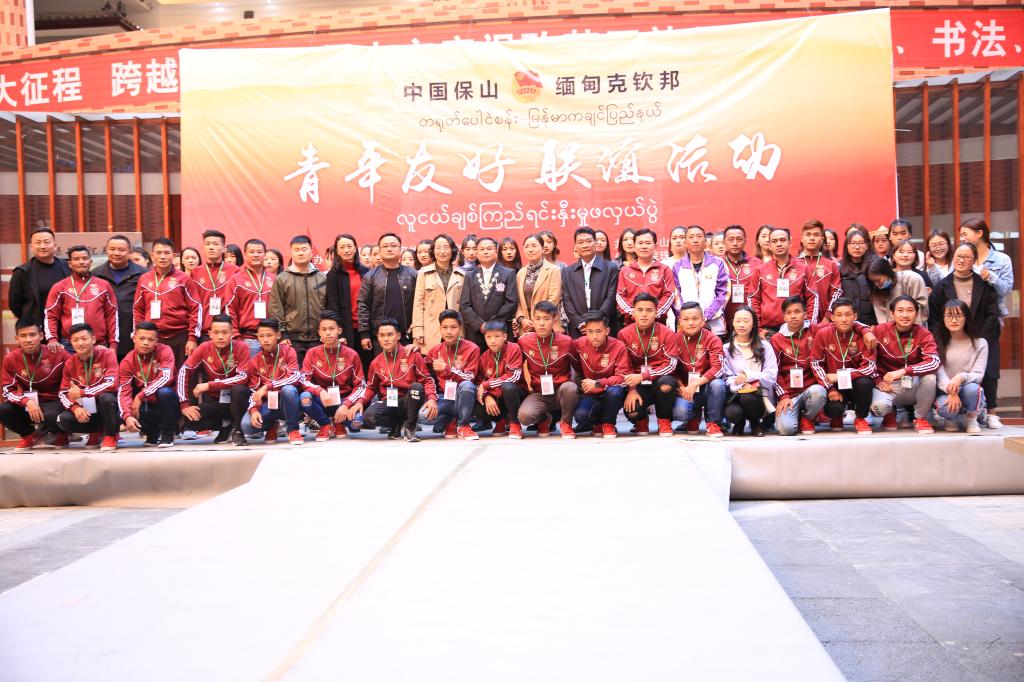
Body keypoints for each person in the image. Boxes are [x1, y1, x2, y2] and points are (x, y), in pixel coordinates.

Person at [928, 241, 1001, 428]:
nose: (962, 260)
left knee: (986, 373)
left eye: (967, 257)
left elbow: (992, 314)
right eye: (959, 256)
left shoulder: (984, 285)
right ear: (953, 258)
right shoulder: (942, 286)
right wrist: (942, 337)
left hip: (979, 338)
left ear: (974, 260)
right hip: (949, 338)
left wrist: (978, 338)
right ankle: (958, 415)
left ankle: (988, 411)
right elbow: (934, 318)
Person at [357, 317, 438, 442]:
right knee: (369, 416)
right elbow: (371, 387)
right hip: (390, 402)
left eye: (390, 334)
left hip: (409, 402)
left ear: (398, 335)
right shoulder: (375, 362)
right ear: (378, 337)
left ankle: (410, 427)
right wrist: (360, 401)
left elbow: (427, 380)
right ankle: (396, 425)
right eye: (382, 335)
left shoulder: (412, 354)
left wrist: (432, 398)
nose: (386, 339)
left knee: (416, 387)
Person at [177, 314, 252, 446]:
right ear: (210, 334)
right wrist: (184, 405)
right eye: (216, 332)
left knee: (239, 390)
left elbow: (243, 377)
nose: (220, 336)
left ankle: (237, 430)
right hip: (218, 403)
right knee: (191, 419)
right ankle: (225, 425)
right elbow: (184, 371)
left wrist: (209, 385)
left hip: (240, 402)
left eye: (225, 332)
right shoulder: (204, 348)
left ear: (232, 333)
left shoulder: (241, 347)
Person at [869, 295, 939, 434]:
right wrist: (877, 381)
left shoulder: (924, 334)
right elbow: (867, 360)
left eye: (910, 310)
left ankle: (920, 418)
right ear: (892, 313)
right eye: (900, 310)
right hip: (887, 386)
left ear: (916, 313)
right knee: (879, 408)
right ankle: (890, 414)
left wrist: (905, 371)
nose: (905, 315)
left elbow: (934, 362)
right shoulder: (879, 331)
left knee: (930, 378)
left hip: (912, 383)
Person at [0, 319, 69, 452]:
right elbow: (7, 390)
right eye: (23, 336)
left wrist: (98, 350)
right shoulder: (10, 358)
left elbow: (75, 370)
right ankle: (28, 436)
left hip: (54, 401)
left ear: (41, 336)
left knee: (51, 415)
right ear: (17, 338)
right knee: (4, 410)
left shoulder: (57, 353)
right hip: (28, 403)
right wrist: (26, 401)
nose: (28, 340)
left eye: (32, 335)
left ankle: (61, 434)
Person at [810, 298, 876, 435]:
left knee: (865, 383)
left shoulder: (865, 336)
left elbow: (870, 367)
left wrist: (841, 376)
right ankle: (836, 417)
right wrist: (830, 389)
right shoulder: (823, 334)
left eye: (848, 314)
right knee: (833, 409)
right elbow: (816, 364)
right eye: (839, 315)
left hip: (856, 383)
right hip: (835, 385)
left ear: (855, 316)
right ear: (832, 317)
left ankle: (861, 418)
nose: (844, 319)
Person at [133, 237, 202, 369]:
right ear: (152, 255)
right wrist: (138, 335)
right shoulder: (144, 279)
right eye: (158, 253)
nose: (163, 257)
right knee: (155, 375)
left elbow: (195, 308)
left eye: (167, 253)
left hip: (180, 336)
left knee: (183, 375)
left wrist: (192, 338)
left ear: (174, 255)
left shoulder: (184, 279)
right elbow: (138, 309)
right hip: (153, 337)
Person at [299, 311, 367, 442]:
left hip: (343, 399)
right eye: (324, 329)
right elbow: (303, 380)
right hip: (323, 400)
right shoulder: (312, 353)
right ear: (319, 332)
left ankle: (339, 423)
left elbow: (360, 385)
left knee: (357, 422)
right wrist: (320, 391)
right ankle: (326, 424)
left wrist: (346, 404)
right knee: (305, 398)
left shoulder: (352, 354)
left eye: (332, 328)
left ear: (339, 330)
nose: (328, 333)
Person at [618, 293, 678, 436]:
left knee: (667, 383)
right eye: (640, 310)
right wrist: (631, 389)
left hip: (658, 380)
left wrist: (644, 375)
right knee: (632, 411)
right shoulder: (623, 334)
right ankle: (641, 420)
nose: (644, 314)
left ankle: (664, 419)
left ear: (656, 312)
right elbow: (624, 366)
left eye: (649, 310)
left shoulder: (667, 333)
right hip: (637, 383)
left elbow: (671, 364)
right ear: (633, 312)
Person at [516, 301, 579, 438]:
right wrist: (524, 390)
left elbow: (578, 367)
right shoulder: (524, 342)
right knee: (524, 417)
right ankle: (544, 419)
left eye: (546, 319)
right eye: (538, 319)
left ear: (554, 319)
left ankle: (566, 423)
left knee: (570, 388)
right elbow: (517, 367)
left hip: (561, 392)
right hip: (539, 393)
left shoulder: (566, 341)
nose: (542, 323)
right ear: (532, 319)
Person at [44, 245, 119, 355]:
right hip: (70, 345)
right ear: (69, 264)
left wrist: (113, 344)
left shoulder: (104, 285)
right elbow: (50, 315)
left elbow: (112, 315)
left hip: (99, 344)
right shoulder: (60, 287)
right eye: (76, 259)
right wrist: (52, 339)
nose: (81, 262)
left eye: (85, 258)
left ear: (90, 262)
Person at [56, 323, 120, 452]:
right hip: (86, 408)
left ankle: (111, 435)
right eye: (75, 340)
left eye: (84, 339)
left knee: (107, 398)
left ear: (93, 339)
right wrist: (75, 408)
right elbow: (63, 393)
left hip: (105, 406)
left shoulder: (107, 354)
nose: (80, 343)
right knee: (63, 419)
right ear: (71, 342)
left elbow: (111, 383)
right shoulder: (70, 362)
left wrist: (83, 392)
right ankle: (95, 432)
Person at [769, 296, 827, 436]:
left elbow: (841, 323)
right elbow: (775, 372)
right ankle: (797, 416)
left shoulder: (815, 330)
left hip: (810, 390)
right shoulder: (776, 339)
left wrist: (865, 331)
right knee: (786, 430)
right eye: (788, 313)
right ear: (784, 317)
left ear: (805, 314)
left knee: (819, 392)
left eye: (797, 311)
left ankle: (807, 418)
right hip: (790, 395)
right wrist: (783, 396)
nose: (793, 316)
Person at [241, 318, 304, 446]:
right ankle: (272, 426)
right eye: (261, 336)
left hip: (285, 402)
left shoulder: (288, 351)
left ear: (278, 335)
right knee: (246, 426)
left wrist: (267, 387)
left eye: (269, 335)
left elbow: (295, 377)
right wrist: (254, 409)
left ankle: (292, 429)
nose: (265, 340)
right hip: (267, 404)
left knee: (289, 390)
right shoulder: (255, 361)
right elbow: (254, 390)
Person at [118, 321, 178, 447]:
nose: (146, 343)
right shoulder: (127, 361)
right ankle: (152, 434)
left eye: (150, 339)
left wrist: (141, 395)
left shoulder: (165, 350)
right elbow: (123, 391)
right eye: (142, 338)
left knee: (165, 393)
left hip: (167, 403)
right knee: (121, 406)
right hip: (146, 404)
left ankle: (168, 434)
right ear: (134, 338)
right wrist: (127, 416)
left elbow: (166, 378)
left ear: (156, 341)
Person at [269, 235, 326, 366]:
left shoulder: (322, 278)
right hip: (292, 339)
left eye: (304, 249)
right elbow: (275, 308)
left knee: (319, 375)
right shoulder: (282, 278)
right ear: (291, 252)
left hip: (320, 338)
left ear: (311, 252)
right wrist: (282, 335)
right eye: (296, 250)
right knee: (294, 375)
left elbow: (328, 307)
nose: (300, 253)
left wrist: (326, 331)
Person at [671, 302, 726, 438]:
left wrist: (695, 384)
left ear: (703, 320)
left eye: (695, 319)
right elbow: (671, 369)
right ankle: (693, 418)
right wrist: (681, 386)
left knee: (718, 385)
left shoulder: (713, 339)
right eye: (686, 319)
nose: (691, 323)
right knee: (680, 413)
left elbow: (718, 368)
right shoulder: (674, 339)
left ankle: (713, 423)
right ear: (680, 321)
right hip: (685, 389)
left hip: (706, 387)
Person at [721, 307, 778, 436]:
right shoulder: (725, 349)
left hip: (759, 396)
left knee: (748, 397)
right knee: (733, 413)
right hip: (735, 394)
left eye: (746, 321)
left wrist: (748, 376)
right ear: (733, 323)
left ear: (753, 324)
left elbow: (771, 375)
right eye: (738, 321)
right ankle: (739, 423)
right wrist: (741, 385)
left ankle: (755, 424)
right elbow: (725, 377)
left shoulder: (765, 346)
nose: (741, 324)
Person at [933, 299, 988, 434]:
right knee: (945, 408)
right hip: (946, 391)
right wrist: (952, 391)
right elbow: (939, 374)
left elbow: (978, 375)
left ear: (966, 317)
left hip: (968, 388)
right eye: (949, 316)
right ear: (943, 319)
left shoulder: (980, 343)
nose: (953, 320)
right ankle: (955, 418)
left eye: (958, 315)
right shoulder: (936, 343)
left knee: (973, 390)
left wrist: (961, 377)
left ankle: (972, 417)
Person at [358, 232, 418, 355]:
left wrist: (418, 332)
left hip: (408, 335)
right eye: (385, 246)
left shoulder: (413, 274)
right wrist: (364, 333)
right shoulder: (370, 276)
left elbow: (421, 305)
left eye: (393, 245)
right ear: (379, 251)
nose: (389, 249)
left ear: (400, 249)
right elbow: (363, 304)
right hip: (381, 337)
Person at [572, 312, 630, 438]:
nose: (594, 336)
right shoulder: (579, 344)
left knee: (614, 392)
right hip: (591, 393)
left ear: (607, 331)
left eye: (599, 331)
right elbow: (574, 363)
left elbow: (622, 377)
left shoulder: (618, 346)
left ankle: (609, 423)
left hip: (612, 390)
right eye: (590, 331)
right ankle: (598, 424)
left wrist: (599, 383)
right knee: (581, 415)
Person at [92, 234, 148, 362]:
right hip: (104, 334)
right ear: (107, 250)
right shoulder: (96, 274)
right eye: (112, 249)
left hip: (132, 330)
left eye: (121, 250)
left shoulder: (143, 274)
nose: (116, 253)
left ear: (130, 252)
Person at [426, 310, 481, 440]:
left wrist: (447, 369)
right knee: (424, 415)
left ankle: (463, 425)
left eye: (453, 327)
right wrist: (412, 350)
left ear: (460, 328)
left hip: (463, 397)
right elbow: (423, 373)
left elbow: (469, 377)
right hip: (444, 397)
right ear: (440, 329)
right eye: (445, 327)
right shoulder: (435, 351)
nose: (449, 332)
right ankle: (449, 419)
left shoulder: (472, 348)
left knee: (467, 386)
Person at [750, 227, 813, 337]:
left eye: (782, 240)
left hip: (797, 330)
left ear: (790, 243)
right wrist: (757, 328)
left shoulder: (803, 269)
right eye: (774, 241)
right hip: (768, 331)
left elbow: (812, 298)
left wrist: (809, 326)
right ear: (770, 245)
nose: (779, 244)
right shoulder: (760, 270)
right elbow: (753, 299)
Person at [562, 227, 621, 339]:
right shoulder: (567, 272)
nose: (585, 245)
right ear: (575, 246)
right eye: (580, 242)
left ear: (595, 243)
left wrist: (595, 322)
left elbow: (611, 298)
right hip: (579, 329)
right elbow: (567, 301)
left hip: (604, 326)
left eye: (589, 241)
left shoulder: (610, 268)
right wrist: (579, 323)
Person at [459, 236, 517, 348]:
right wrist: (479, 325)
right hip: (476, 333)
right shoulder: (470, 276)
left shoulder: (508, 273)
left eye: (489, 249)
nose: (485, 252)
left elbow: (511, 302)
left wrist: (492, 325)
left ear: (496, 251)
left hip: (500, 330)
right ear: (477, 252)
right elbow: (464, 305)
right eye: (482, 249)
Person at [411, 234, 465, 353]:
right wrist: (418, 330)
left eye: (446, 247)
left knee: (454, 360)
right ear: (433, 251)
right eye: (438, 247)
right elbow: (418, 304)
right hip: (431, 327)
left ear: (452, 250)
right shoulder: (423, 273)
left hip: (454, 327)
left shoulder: (461, 275)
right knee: (431, 360)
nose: (442, 251)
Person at [671, 225, 728, 336]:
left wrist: (705, 316)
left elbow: (724, 294)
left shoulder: (718, 263)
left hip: (714, 326)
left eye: (699, 236)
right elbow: (676, 296)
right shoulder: (677, 266)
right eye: (691, 237)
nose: (695, 240)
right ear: (685, 242)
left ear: (706, 241)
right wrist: (688, 317)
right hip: (687, 326)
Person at [324, 233, 370, 369]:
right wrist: (340, 333)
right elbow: (333, 306)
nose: (346, 250)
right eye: (342, 247)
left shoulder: (365, 271)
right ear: (337, 251)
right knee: (348, 367)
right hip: (346, 329)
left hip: (365, 328)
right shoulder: (333, 275)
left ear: (355, 248)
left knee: (366, 365)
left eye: (349, 246)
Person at [9, 227, 70, 328]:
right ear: (32, 247)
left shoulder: (67, 266)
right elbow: (14, 304)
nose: (42, 246)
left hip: (65, 327)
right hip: (38, 327)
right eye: (38, 242)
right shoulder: (22, 272)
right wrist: (30, 321)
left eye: (47, 242)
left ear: (55, 246)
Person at [475, 320, 526, 439]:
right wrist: (486, 396)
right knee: (475, 402)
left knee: (508, 387)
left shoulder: (514, 348)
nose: (492, 341)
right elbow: (479, 382)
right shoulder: (484, 356)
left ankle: (515, 423)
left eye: (497, 336)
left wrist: (487, 384)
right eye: (488, 337)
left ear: (505, 336)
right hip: (495, 395)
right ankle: (501, 420)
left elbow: (514, 376)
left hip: (516, 394)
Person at [226, 238, 276, 357]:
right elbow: (230, 309)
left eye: (259, 252)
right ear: (245, 255)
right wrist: (236, 336)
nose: (256, 255)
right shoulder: (236, 279)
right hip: (247, 339)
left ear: (265, 254)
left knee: (271, 369)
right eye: (251, 252)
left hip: (271, 338)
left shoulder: (274, 279)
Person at [616, 229, 676, 325]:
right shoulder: (625, 271)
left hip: (658, 323)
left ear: (655, 246)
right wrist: (633, 313)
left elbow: (669, 294)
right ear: (634, 247)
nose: (644, 246)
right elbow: (620, 295)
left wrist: (655, 313)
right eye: (640, 243)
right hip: (631, 323)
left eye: (648, 243)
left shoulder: (664, 270)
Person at [959, 217, 1013, 322]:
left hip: (992, 316)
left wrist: (991, 277)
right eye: (961, 236)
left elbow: (1006, 290)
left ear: (979, 233)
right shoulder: (960, 258)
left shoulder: (1002, 259)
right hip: (965, 316)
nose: (962, 239)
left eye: (964, 234)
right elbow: (948, 282)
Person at [190, 229, 240, 342]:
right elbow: (193, 306)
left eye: (215, 244)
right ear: (203, 247)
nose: (211, 247)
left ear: (224, 248)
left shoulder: (235, 271)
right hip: (203, 332)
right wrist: (192, 336)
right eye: (207, 244)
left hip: (228, 332)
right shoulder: (196, 272)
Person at [515, 234, 563, 336]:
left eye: (534, 246)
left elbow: (553, 300)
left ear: (542, 249)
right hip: (526, 327)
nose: (530, 250)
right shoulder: (520, 273)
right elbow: (517, 301)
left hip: (547, 325)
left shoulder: (553, 270)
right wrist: (521, 319)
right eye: (526, 247)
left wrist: (536, 320)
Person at [721, 225, 762, 335]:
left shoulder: (757, 263)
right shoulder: (717, 263)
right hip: (723, 321)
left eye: (739, 239)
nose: (735, 243)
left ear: (745, 241)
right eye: (731, 239)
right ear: (724, 242)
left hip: (749, 322)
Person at [798, 220, 841, 324]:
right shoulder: (793, 265)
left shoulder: (831, 265)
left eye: (816, 235)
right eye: (808, 235)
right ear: (802, 239)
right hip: (797, 322)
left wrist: (828, 317)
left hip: (824, 322)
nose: (812, 238)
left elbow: (836, 293)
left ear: (822, 239)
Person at [866, 257, 927, 324]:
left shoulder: (912, 279)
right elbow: (881, 318)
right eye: (873, 282)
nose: (876, 284)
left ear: (887, 273)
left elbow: (922, 309)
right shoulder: (875, 291)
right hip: (889, 329)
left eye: (878, 280)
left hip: (915, 327)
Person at [839, 227, 877, 326]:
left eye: (861, 243)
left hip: (872, 323)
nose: (857, 247)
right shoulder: (839, 269)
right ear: (846, 246)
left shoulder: (874, 267)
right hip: (847, 322)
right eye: (853, 243)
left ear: (867, 246)